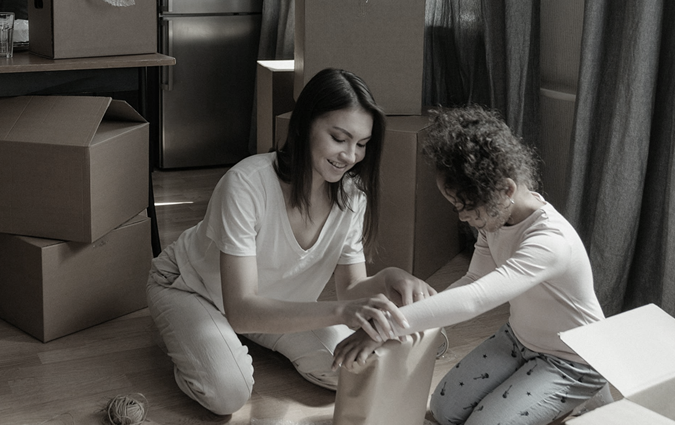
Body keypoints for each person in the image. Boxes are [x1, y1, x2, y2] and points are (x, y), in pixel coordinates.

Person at [146, 68, 435, 415]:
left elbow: (351, 288)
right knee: (228, 393)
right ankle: (190, 341)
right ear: (305, 125)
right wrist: (342, 313)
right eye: (339, 138)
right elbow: (240, 310)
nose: (350, 156)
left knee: (356, 366)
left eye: (361, 144)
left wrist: (389, 278)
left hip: (265, 301)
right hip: (189, 287)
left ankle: (241, 337)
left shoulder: (352, 197)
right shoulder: (247, 184)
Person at [333, 105, 609, 425]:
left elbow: (476, 298)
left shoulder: (550, 242)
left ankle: (589, 397)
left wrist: (385, 328)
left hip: (573, 360)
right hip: (518, 339)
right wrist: (425, 319)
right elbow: (475, 277)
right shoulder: (494, 218)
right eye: (456, 207)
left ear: (505, 190)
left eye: (468, 206)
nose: (464, 217)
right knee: (443, 409)